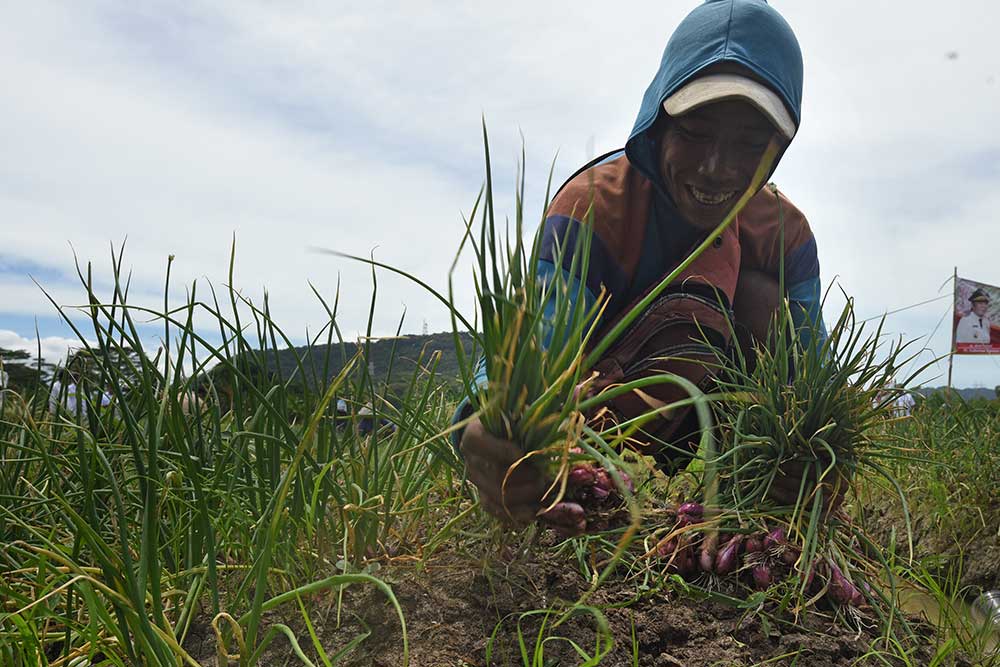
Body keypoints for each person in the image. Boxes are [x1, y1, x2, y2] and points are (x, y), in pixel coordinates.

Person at [458, 0, 828, 534]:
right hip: (594, 429)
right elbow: (529, 352)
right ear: (659, 120)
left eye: (749, 144)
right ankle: (587, 485)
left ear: (777, 148)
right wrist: (488, 427)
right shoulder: (596, 206)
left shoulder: (785, 236)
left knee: (759, 297)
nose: (716, 168)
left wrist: (809, 453)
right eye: (695, 132)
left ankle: (743, 499)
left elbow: (810, 378)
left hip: (712, 433)